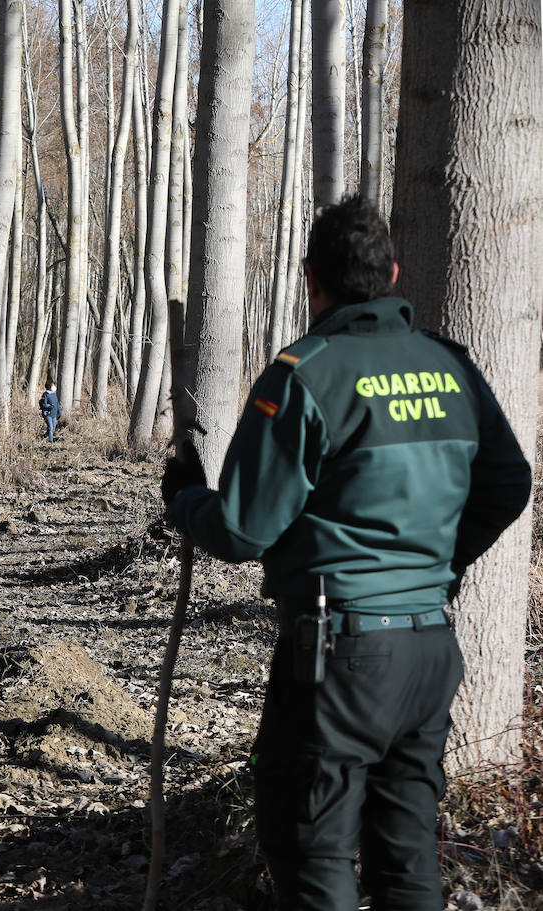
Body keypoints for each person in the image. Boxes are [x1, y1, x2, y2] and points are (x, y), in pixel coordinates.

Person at [161, 195, 531, 910]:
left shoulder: (306, 374)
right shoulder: (449, 366)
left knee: (310, 848)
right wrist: (436, 566)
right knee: (407, 853)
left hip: (340, 658)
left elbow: (242, 529)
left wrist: (184, 498)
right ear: (392, 273)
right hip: (429, 648)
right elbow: (510, 482)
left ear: (310, 279)